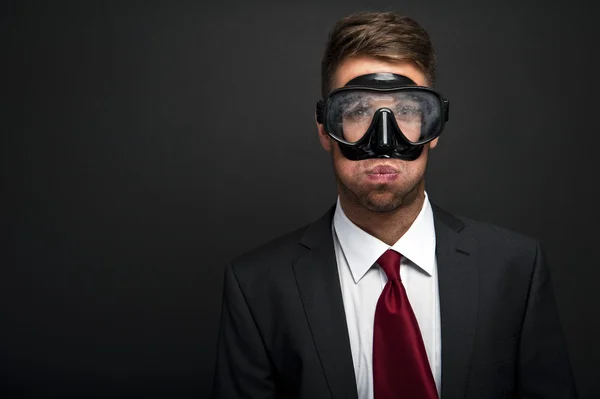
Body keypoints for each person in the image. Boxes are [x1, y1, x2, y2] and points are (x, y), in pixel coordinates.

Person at [212, 11, 577, 399]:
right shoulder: (257, 286)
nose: (383, 141)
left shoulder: (515, 269)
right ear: (325, 129)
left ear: (434, 127)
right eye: (357, 111)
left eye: (406, 111)